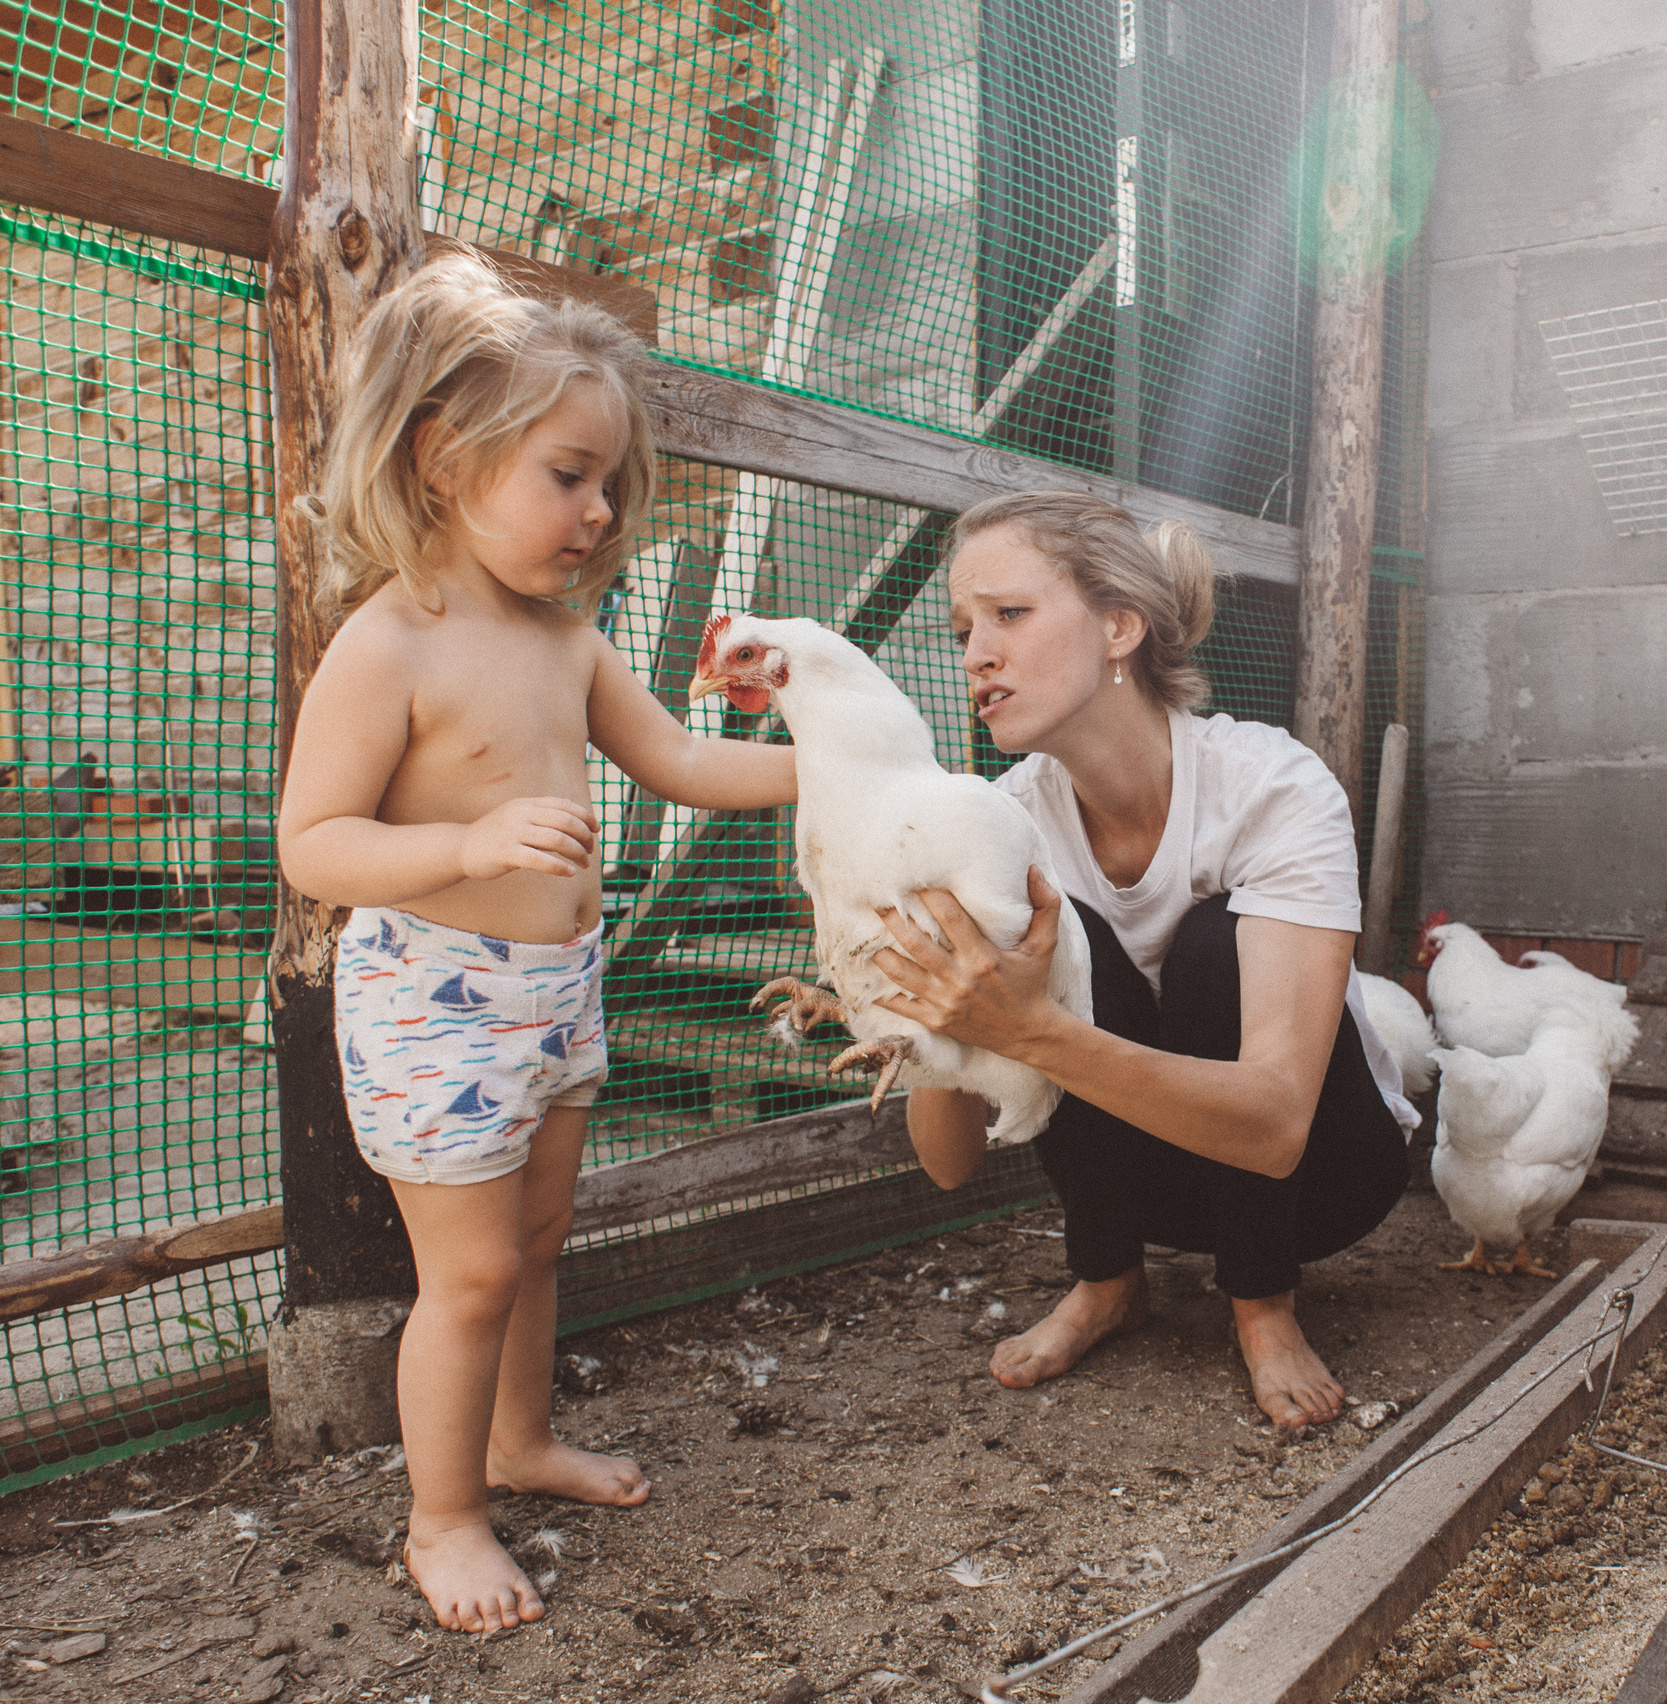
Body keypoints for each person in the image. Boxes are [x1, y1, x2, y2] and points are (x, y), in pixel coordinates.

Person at [273, 254, 797, 1634]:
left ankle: (517, 1445)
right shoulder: (390, 643)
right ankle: (441, 1518)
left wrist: (843, 769)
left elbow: (683, 758)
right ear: (447, 461)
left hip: (559, 994)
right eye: (569, 474)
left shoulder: (570, 639)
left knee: (544, 1240)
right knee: (474, 1272)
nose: (601, 509)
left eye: (610, 482)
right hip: (435, 1000)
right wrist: (465, 846)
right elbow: (312, 844)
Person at [877, 490, 1418, 1431]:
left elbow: (1279, 1127)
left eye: (1009, 614)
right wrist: (949, 1015)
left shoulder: (1270, 786)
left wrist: (1030, 1030)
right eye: (964, 626)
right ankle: (1108, 1280)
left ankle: (1264, 1304)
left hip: (1323, 1179)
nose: (976, 654)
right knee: (1068, 930)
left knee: (1213, 944)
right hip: (1150, 1191)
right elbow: (948, 1165)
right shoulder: (1001, 824)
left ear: (1121, 626)